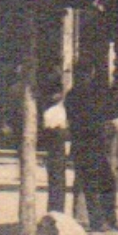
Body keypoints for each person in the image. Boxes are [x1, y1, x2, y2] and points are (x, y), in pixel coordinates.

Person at [65, 64, 118, 232]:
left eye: (87, 74)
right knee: (91, 185)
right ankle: (97, 222)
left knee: (108, 181)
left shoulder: (92, 94)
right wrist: (100, 126)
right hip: (83, 145)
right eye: (83, 74)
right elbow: (80, 121)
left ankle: (110, 219)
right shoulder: (73, 96)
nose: (86, 78)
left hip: (96, 145)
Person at [41, 79, 70, 216]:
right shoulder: (52, 112)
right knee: (56, 182)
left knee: (58, 183)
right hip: (55, 150)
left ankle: (57, 211)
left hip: (60, 150)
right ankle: (55, 212)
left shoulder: (62, 110)